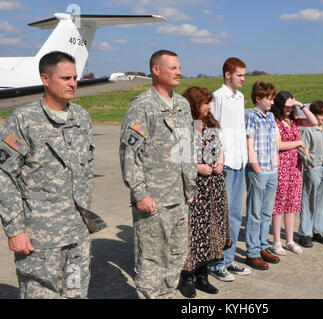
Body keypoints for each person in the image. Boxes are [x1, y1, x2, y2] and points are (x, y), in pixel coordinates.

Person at [0, 51, 106, 299]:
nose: (73, 83)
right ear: (45, 79)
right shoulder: (24, 119)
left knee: (76, 293)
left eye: (75, 77)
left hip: (77, 236)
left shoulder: (81, 117)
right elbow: (4, 176)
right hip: (40, 239)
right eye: (65, 78)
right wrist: (15, 230)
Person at [119, 50, 197, 299]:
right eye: (173, 68)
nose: (179, 72)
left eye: (179, 67)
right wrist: (140, 193)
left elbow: (188, 148)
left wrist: (190, 187)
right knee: (151, 261)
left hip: (180, 198)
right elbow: (129, 153)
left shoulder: (183, 104)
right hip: (154, 199)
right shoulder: (142, 106)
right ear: (156, 70)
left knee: (176, 256)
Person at [177, 87, 232, 298]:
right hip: (196, 187)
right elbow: (179, 158)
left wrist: (221, 161)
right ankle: (187, 277)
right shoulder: (185, 127)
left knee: (211, 231)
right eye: (205, 103)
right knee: (193, 233)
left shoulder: (209, 124)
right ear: (194, 104)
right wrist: (198, 167)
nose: (209, 107)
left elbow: (220, 148)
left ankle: (203, 276)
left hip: (215, 186)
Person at [209, 57, 251, 281]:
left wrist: (246, 155)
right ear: (227, 74)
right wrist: (217, 157)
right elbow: (212, 127)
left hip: (240, 161)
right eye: (239, 75)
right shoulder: (218, 97)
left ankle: (228, 259)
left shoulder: (240, 97)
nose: (243, 79)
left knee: (235, 214)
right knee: (221, 214)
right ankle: (216, 263)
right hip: (224, 163)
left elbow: (240, 128)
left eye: (244, 74)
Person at [270, 91, 318, 255]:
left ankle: (289, 240)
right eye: (286, 106)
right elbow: (279, 145)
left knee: (291, 204)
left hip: (295, 168)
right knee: (278, 205)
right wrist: (298, 142)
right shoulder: (275, 121)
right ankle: (277, 241)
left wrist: (301, 105)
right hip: (282, 166)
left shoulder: (293, 120)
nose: (288, 110)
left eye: (291, 107)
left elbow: (314, 122)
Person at [244, 81, 280, 270]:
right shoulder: (251, 116)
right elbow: (249, 142)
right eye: (269, 98)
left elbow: (274, 142)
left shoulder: (271, 116)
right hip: (258, 171)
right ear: (258, 98)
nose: (272, 102)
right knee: (255, 213)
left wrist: (276, 164)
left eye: (273, 98)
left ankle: (263, 246)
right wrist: (255, 166)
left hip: (272, 170)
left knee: (266, 212)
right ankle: (252, 252)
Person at [297, 100, 323, 248]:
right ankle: (305, 233)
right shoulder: (308, 130)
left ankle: (319, 231)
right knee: (308, 199)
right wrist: (309, 166)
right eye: (320, 115)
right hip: (313, 168)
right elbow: (304, 149)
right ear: (313, 115)